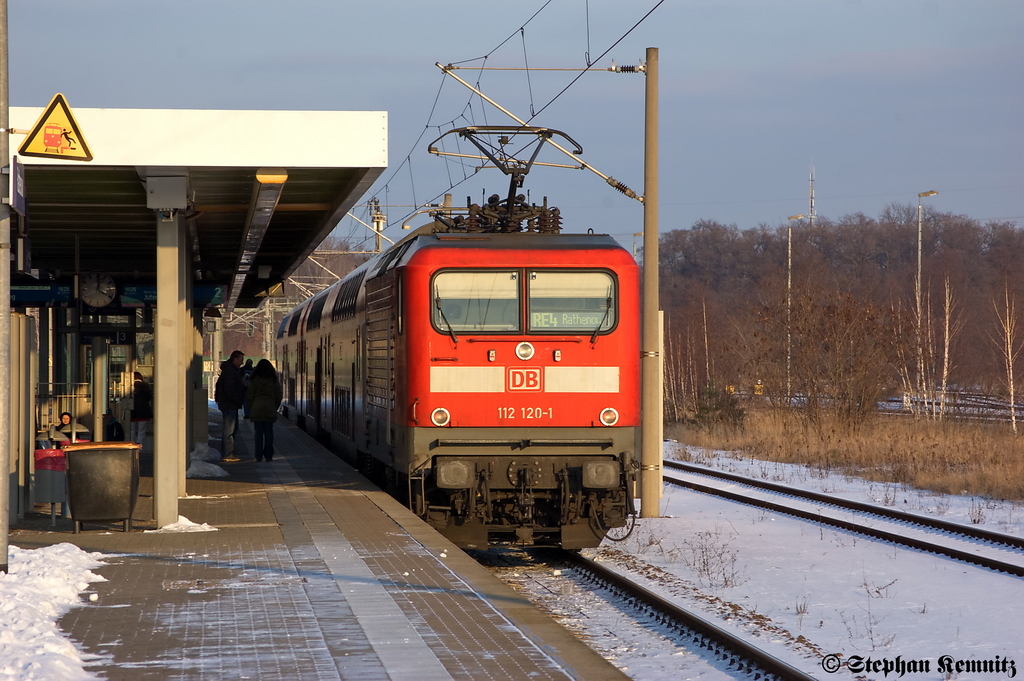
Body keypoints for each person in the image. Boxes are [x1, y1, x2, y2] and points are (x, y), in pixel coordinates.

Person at [245, 359, 282, 462]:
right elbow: (278, 395)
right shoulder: (274, 380)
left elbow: (249, 396)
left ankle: (258, 456)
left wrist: (251, 408)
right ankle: (269, 456)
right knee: (269, 433)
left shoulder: (254, 379)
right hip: (270, 408)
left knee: (258, 434)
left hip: (256, 408)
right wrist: (274, 407)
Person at [214, 350, 245, 460]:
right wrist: (237, 399)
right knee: (229, 430)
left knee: (231, 429)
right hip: (229, 404)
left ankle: (228, 452)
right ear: (235, 359)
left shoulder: (229, 370)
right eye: (241, 360)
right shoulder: (230, 372)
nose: (242, 363)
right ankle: (228, 453)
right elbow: (230, 389)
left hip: (229, 404)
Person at [130, 371, 153, 445]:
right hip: (144, 412)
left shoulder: (130, 386)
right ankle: (140, 447)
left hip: (132, 411)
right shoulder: (145, 385)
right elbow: (149, 398)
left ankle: (132, 445)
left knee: (132, 431)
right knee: (141, 432)